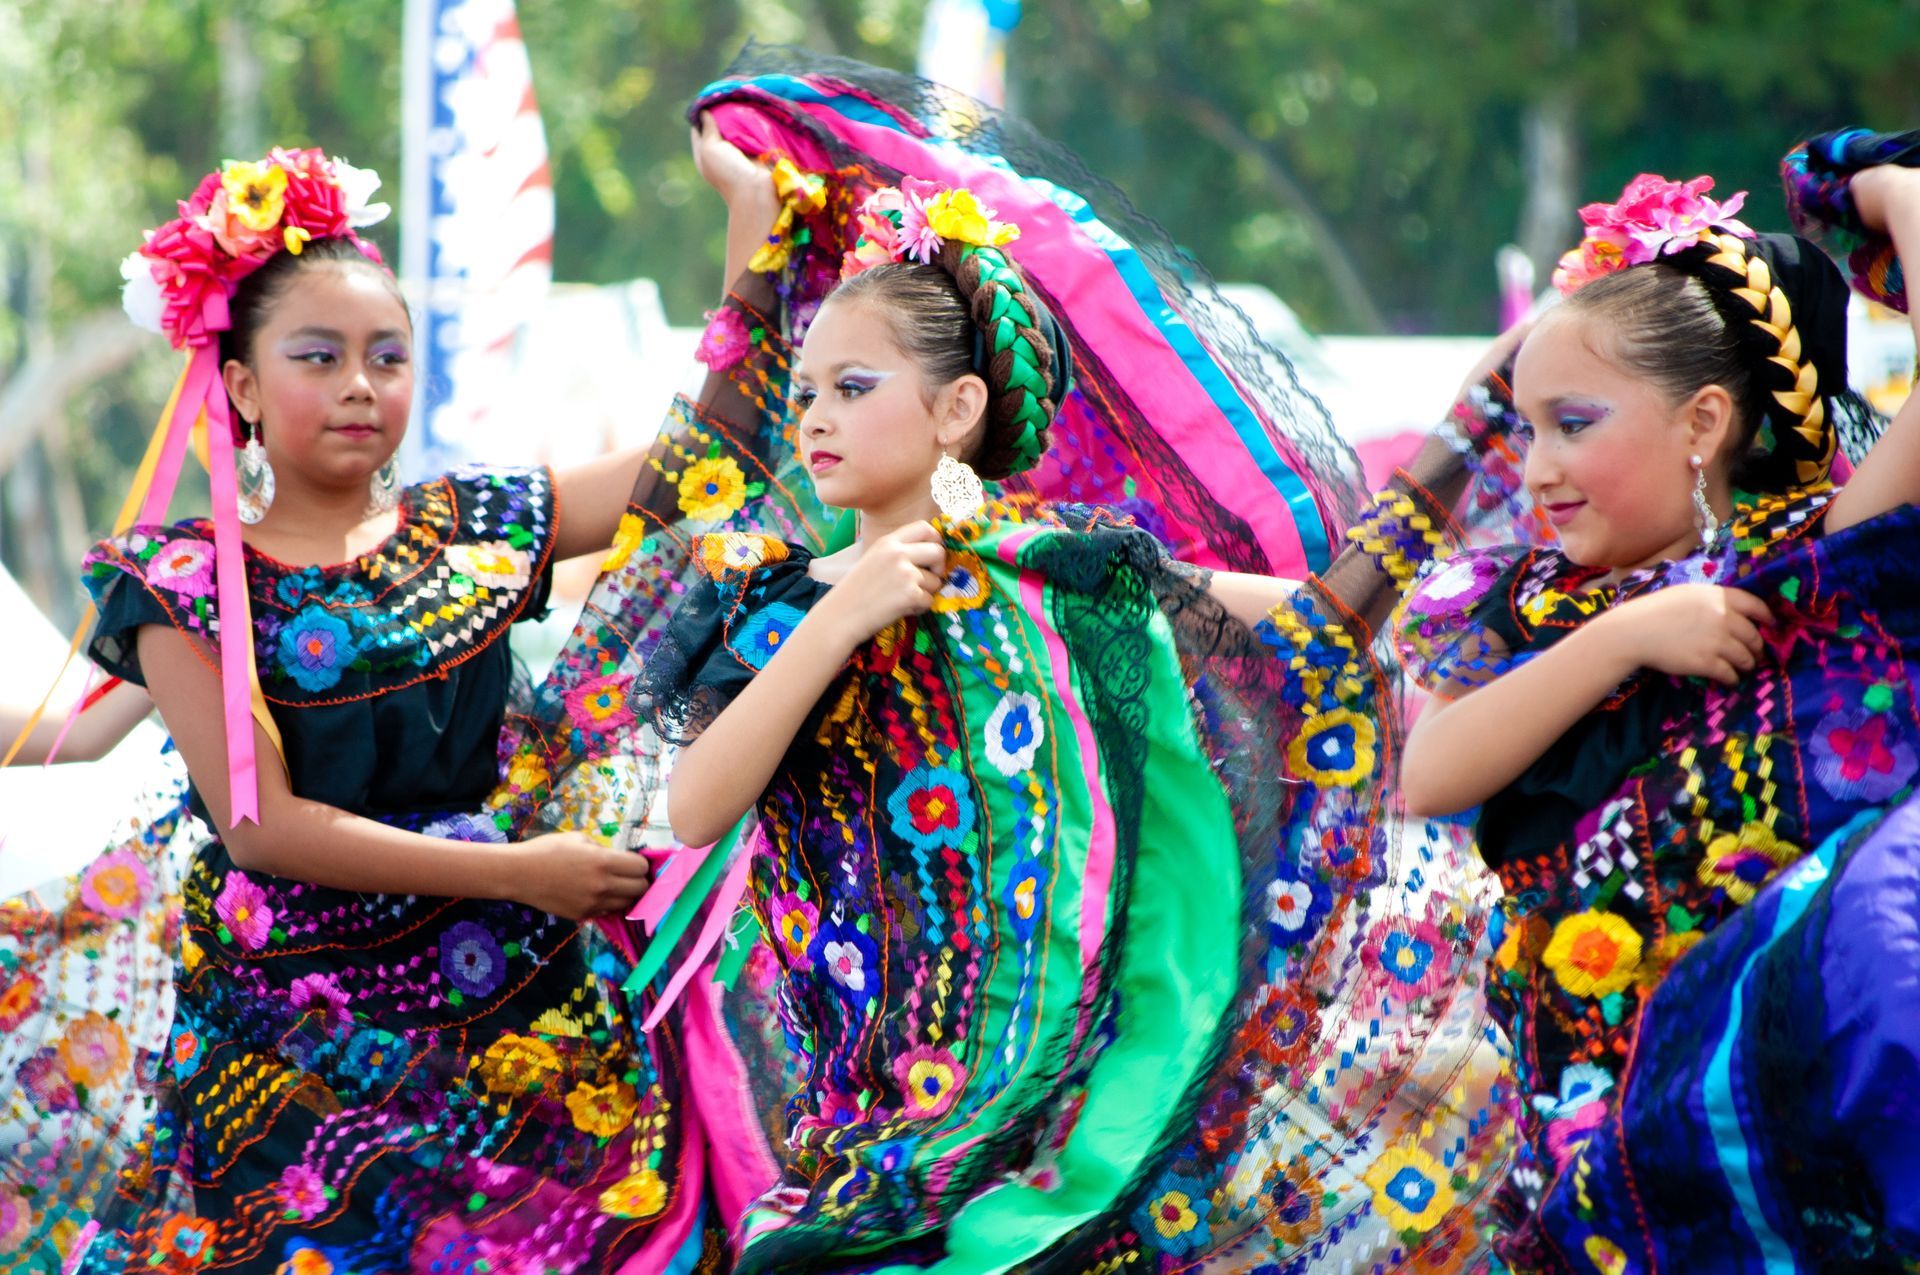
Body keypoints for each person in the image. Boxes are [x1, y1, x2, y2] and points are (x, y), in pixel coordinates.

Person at [44, 144, 787, 1273]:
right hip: (291, 1050)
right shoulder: (183, 580)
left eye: (387, 357)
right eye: (319, 356)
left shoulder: (477, 525)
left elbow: (709, 461)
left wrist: (755, 221)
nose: (360, 384)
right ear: (239, 384)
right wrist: (524, 872)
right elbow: (264, 827)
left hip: (517, 1020)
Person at [1398, 154, 1920, 1268]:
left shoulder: (1801, 571)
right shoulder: (1520, 599)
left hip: (1753, 1092)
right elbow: (1429, 772)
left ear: (1705, 421)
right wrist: (1624, 636)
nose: (1536, 468)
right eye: (1527, 430)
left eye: (1573, 423)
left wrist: (1891, 203)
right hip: (1569, 1107)